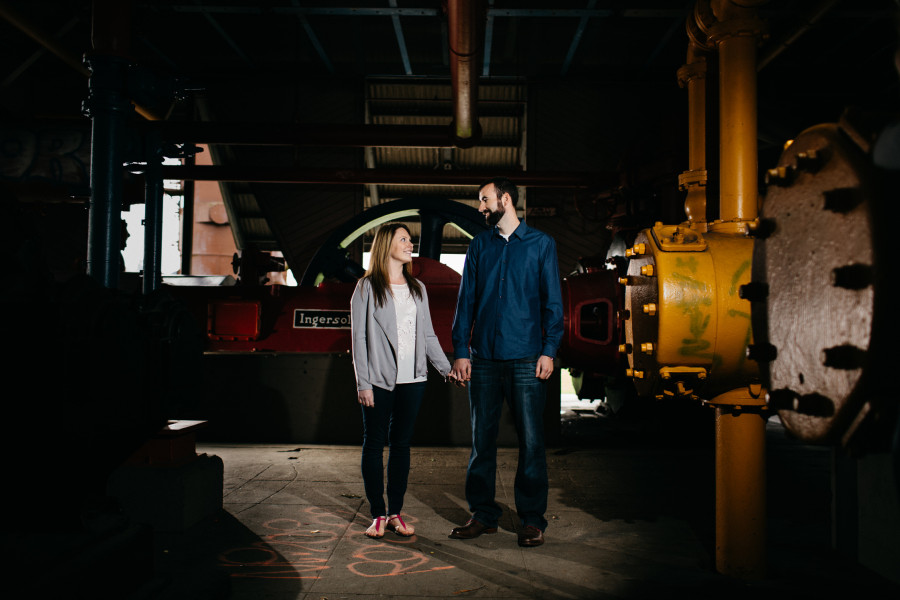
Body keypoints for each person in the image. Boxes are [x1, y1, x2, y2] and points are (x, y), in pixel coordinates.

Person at [448, 177, 564, 548]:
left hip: (528, 358)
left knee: (531, 441)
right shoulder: (479, 246)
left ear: (505, 200)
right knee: (482, 441)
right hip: (482, 359)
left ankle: (531, 520)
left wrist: (549, 349)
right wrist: (461, 351)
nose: (480, 208)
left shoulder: (541, 244)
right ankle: (484, 515)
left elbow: (552, 303)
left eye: (485, 200)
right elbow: (465, 301)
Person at [351, 222, 455, 539]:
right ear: (387, 245)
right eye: (403, 239)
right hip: (380, 380)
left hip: (414, 379)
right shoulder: (367, 287)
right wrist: (363, 383)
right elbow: (358, 340)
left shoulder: (417, 288)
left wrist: (445, 368)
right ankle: (377, 514)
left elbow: (427, 335)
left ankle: (395, 512)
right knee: (374, 444)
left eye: (411, 239)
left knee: (401, 446)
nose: (411, 244)